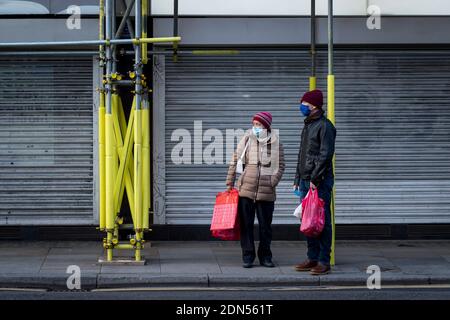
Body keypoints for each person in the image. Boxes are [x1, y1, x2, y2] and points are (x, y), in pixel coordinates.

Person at [226, 112, 285, 268]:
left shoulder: (275, 142)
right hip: (246, 189)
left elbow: (280, 166)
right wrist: (229, 182)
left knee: (266, 228)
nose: (255, 127)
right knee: (246, 225)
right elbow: (234, 160)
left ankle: (265, 256)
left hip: (266, 192)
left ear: (266, 126)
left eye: (259, 125)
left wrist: (272, 182)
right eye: (254, 124)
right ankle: (248, 255)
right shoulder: (247, 139)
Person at [293, 89, 337, 275]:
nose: (301, 106)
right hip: (305, 180)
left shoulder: (325, 126)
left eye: (304, 103)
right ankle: (312, 257)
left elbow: (325, 155)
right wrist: (297, 179)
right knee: (308, 220)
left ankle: (323, 260)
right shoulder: (308, 125)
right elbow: (302, 155)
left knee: (322, 220)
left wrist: (315, 179)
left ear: (313, 105)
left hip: (319, 181)